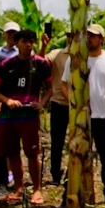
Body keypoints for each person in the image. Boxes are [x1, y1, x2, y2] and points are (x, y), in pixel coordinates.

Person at [60, 23, 105, 203]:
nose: (90, 39)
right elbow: (64, 84)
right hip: (82, 118)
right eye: (87, 35)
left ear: (102, 39)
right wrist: (74, 102)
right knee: (76, 155)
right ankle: (68, 193)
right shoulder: (76, 59)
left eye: (94, 36)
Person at [0, 28, 53, 204]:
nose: (28, 45)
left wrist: (41, 103)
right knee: (12, 153)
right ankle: (18, 189)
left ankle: (37, 190)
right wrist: (7, 100)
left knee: (32, 153)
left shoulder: (41, 64)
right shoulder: (6, 65)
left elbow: (50, 89)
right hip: (8, 116)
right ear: (16, 43)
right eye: (24, 41)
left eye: (31, 42)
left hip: (29, 115)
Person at [45, 32, 73, 186]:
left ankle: (72, 174)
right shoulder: (57, 54)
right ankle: (55, 174)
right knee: (57, 141)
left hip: (78, 106)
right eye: (69, 36)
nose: (71, 39)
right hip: (59, 103)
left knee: (76, 140)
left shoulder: (84, 54)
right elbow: (40, 61)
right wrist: (44, 46)